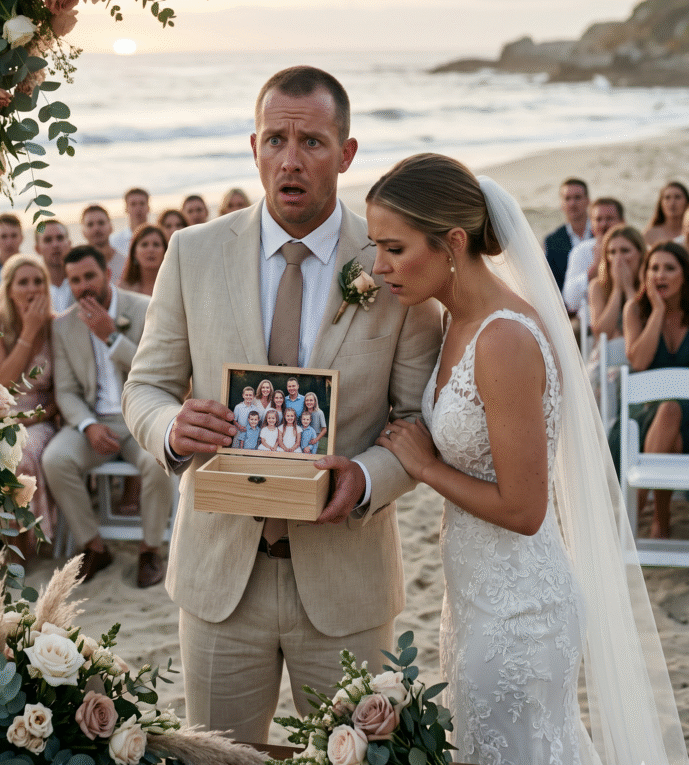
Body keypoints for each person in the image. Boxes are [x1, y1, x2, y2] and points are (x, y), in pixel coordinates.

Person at [121, 65, 440, 743]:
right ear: (254, 145)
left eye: (312, 143)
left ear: (347, 153)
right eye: (274, 140)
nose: (289, 161)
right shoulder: (193, 252)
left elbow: (415, 421)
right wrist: (172, 429)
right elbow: (143, 387)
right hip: (218, 580)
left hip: (347, 578)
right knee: (213, 757)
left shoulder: (393, 264)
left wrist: (367, 477)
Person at [368, 153, 686, 765]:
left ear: (453, 243)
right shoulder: (454, 319)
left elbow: (525, 508)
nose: (379, 268)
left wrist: (427, 465)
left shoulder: (505, 338)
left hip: (519, 614)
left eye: (394, 249)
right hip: (475, 594)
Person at [42, 245, 173, 588]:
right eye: (75, 280)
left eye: (89, 276)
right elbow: (67, 391)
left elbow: (157, 373)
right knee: (55, 459)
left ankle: (150, 550)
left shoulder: (144, 310)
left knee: (159, 459)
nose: (83, 285)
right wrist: (88, 425)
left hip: (141, 418)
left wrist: (111, 335)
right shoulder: (64, 326)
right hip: (95, 422)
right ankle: (95, 547)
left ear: (107, 274)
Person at [0, 253, 58, 556]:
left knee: (20, 455)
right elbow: (2, 384)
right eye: (23, 282)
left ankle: (23, 544)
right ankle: (10, 543)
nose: (32, 289)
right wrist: (27, 332)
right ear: (9, 289)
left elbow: (60, 396)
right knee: (5, 453)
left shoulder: (54, 326)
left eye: (39, 282)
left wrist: (35, 418)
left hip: (39, 420)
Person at [622, 240, 689, 539]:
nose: (660, 275)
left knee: (672, 411)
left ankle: (637, 516)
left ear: (684, 275)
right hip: (647, 414)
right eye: (654, 268)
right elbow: (639, 360)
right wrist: (658, 312)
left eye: (669, 268)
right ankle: (659, 519)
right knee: (668, 414)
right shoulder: (636, 310)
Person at [561, 196, 624, 316]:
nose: (604, 224)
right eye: (598, 219)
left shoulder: (634, 248)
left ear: (622, 221)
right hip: (589, 321)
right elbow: (570, 301)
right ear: (592, 223)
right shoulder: (580, 251)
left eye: (609, 219)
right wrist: (595, 267)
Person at [588, 224, 645, 341]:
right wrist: (617, 289)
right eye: (612, 252)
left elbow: (642, 330)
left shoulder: (649, 284)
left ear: (640, 253)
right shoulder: (597, 286)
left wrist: (628, 288)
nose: (618, 259)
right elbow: (602, 334)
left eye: (625, 250)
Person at [543, 178, 592, 291]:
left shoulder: (602, 230)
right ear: (561, 204)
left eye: (577, 197)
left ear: (588, 201)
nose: (572, 203)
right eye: (567, 198)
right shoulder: (552, 241)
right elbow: (554, 283)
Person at [80, 204, 127, 284]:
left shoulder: (126, 265)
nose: (96, 228)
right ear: (83, 231)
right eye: (90, 224)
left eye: (101, 223)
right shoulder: (77, 266)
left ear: (111, 227)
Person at [34, 219, 73, 312]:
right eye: (48, 240)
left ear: (69, 244)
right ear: (37, 249)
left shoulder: (84, 282)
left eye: (60, 238)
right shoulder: (33, 289)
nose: (55, 245)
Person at [118, 224, 168, 297]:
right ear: (134, 253)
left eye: (156, 245)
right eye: (144, 245)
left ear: (166, 251)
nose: (151, 250)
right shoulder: (122, 290)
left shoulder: (177, 286)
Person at [643, 181, 689, 247]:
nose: (672, 202)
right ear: (661, 203)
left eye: (677, 197)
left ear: (687, 202)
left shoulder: (687, 233)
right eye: (667, 197)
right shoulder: (649, 234)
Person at [110, 187, 150, 257]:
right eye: (133, 204)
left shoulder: (160, 238)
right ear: (126, 208)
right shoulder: (114, 241)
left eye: (142, 203)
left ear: (148, 207)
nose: (138, 208)